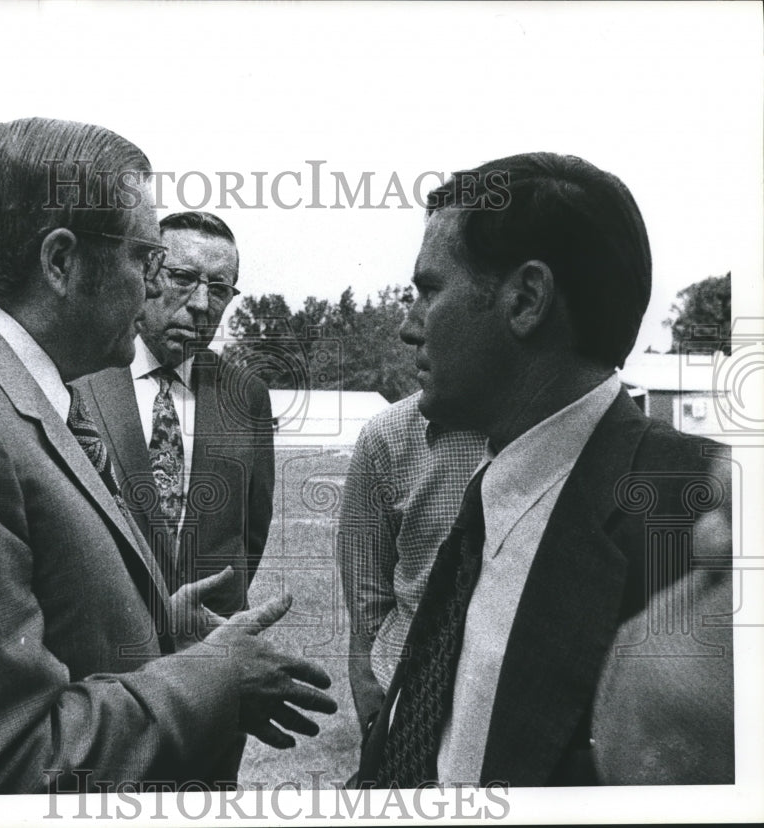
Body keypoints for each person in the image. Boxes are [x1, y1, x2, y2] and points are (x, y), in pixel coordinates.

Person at [0, 117, 335, 795]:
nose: (153, 289)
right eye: (146, 260)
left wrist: (150, 623)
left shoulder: (1, 390)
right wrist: (213, 676)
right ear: (60, 262)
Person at [356, 152, 733, 787]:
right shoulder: (494, 488)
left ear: (526, 299)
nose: (406, 328)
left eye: (429, 291)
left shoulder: (697, 517)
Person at [72, 211, 273, 617]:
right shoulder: (80, 378)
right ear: (146, 275)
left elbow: (252, 534)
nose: (201, 304)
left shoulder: (245, 395)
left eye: (219, 288)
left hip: (210, 648)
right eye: (182, 278)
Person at [336, 394, 481, 740]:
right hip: (410, 712)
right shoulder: (387, 437)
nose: (411, 336)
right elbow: (367, 615)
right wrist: (376, 736)